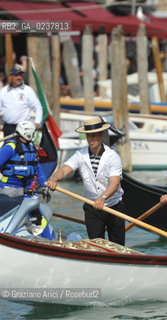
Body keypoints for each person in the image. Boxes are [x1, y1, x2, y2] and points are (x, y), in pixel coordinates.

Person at [45, 117, 126, 245]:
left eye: (94, 135)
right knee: (95, 245)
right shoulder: (80, 155)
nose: (91, 139)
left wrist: (103, 197)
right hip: (91, 207)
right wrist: (54, 178)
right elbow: (66, 169)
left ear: (101, 135)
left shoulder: (112, 157)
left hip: (113, 207)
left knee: (118, 246)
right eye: (89, 136)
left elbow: (114, 183)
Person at [0, 121, 47, 196]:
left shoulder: (32, 148)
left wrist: (44, 186)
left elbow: (37, 169)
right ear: (28, 134)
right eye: (33, 133)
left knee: (35, 205)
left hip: (28, 188)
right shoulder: (10, 147)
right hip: (9, 187)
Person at [0, 65, 43, 136]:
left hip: (23, 128)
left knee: (21, 147)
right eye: (16, 75)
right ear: (11, 76)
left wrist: (37, 122)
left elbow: (38, 107)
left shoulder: (28, 90)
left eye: (20, 75)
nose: (19, 77)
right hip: (7, 128)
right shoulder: (4, 91)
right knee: (8, 146)